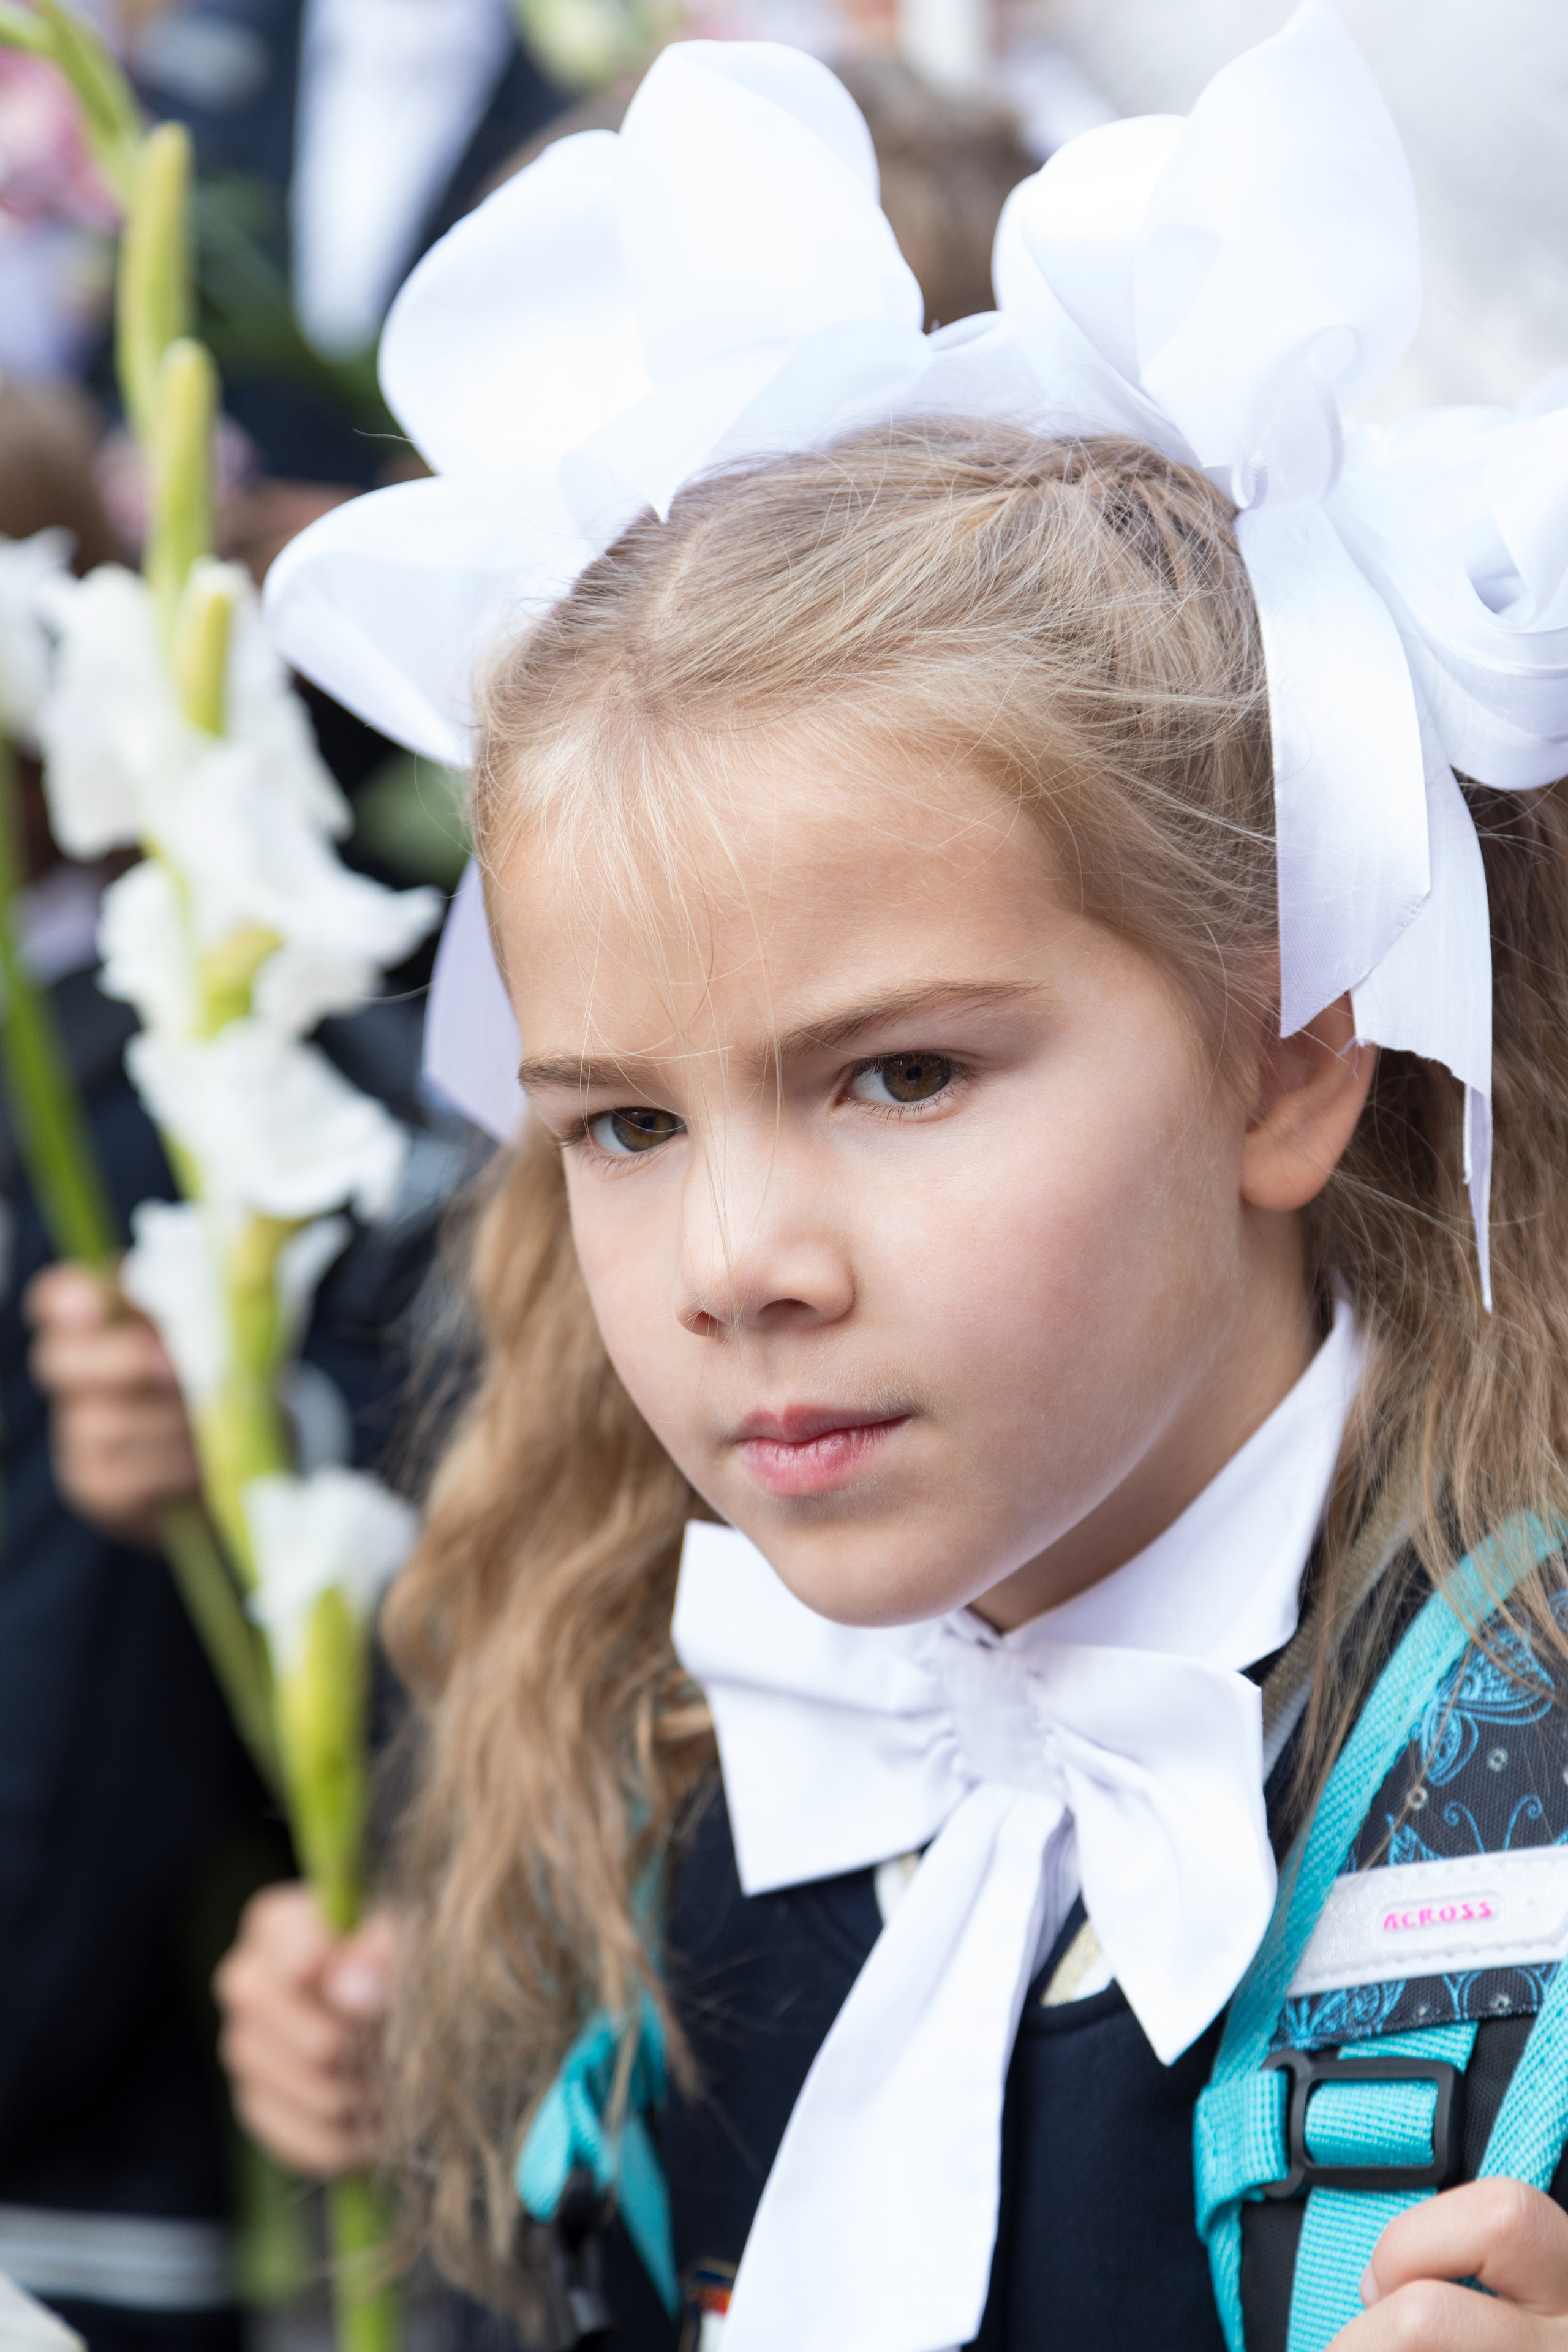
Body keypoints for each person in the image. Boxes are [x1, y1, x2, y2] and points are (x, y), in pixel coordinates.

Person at [246, 10, 1568, 2351]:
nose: (738, 1263)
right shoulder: (650, 1785)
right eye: (626, 1125)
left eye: (901, 1076)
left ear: (1288, 1056)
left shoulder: (1517, 1838)